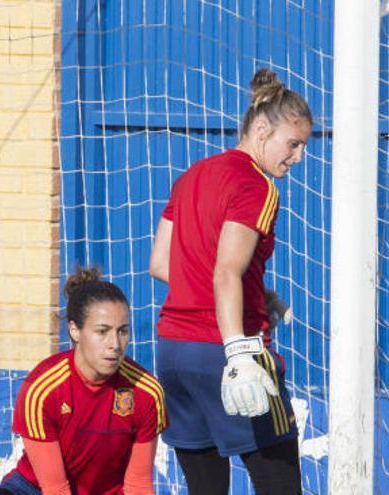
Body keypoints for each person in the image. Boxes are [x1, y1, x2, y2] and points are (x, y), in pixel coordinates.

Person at [148, 68, 312, 495]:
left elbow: (162, 264)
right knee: (281, 487)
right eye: (293, 144)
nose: (298, 157)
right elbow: (225, 271)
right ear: (261, 128)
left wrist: (258, 292)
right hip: (229, 353)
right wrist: (238, 350)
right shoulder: (256, 185)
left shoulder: (191, 176)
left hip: (174, 354)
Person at [0, 267, 167, 495]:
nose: (115, 344)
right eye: (102, 331)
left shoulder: (146, 392)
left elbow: (138, 485)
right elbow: (55, 489)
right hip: (36, 489)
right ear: (75, 331)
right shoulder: (42, 390)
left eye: (122, 331)